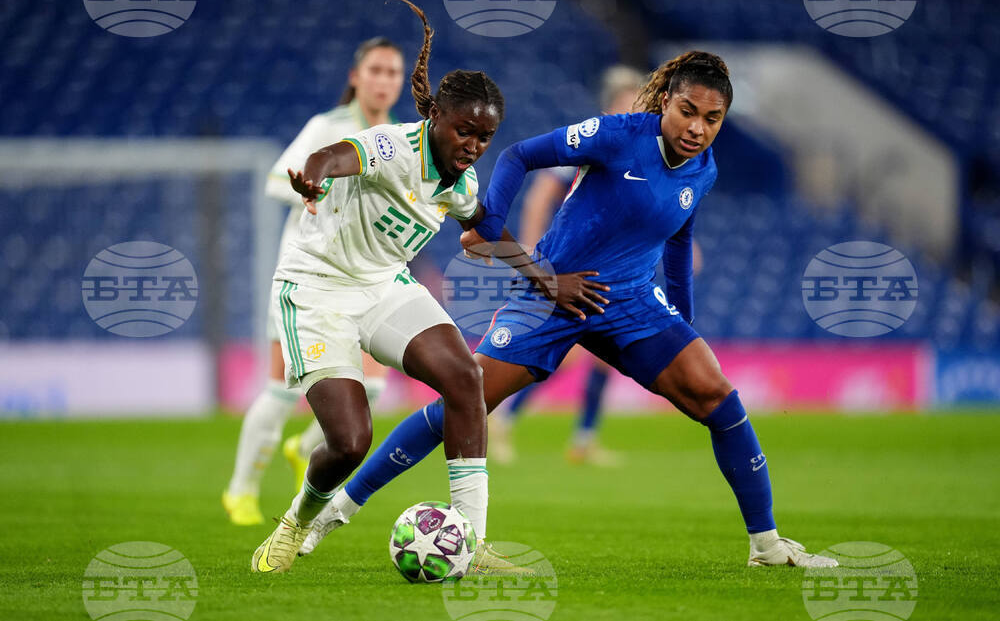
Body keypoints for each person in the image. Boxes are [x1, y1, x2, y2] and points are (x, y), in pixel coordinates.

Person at [300, 51, 838, 569]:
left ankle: (766, 545)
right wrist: (492, 228)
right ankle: (339, 509)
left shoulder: (705, 168)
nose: (698, 128)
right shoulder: (619, 135)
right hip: (552, 292)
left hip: (628, 302)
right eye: (688, 112)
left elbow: (679, 235)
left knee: (718, 397)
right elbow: (518, 156)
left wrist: (683, 317)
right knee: (464, 403)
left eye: (712, 119)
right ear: (667, 102)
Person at [251, 0, 571, 574]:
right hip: (317, 289)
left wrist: (545, 278)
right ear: (435, 121)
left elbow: (480, 232)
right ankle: (298, 518)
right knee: (350, 441)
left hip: (382, 287)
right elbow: (335, 154)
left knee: (465, 377)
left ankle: (469, 544)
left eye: (484, 136)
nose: (473, 145)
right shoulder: (392, 146)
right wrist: (315, 177)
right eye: (463, 131)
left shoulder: (460, 182)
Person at [222, 37, 405, 526]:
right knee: (282, 391)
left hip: (363, 279)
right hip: (306, 279)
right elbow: (275, 180)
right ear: (356, 76)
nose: (385, 81)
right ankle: (240, 490)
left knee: (370, 385)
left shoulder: (395, 139)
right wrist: (318, 186)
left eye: (393, 73)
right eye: (376, 70)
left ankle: (305, 447)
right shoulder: (329, 128)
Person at [490, 66, 647, 467]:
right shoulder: (593, 138)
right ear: (612, 104)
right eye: (631, 101)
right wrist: (530, 255)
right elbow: (541, 194)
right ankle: (502, 419)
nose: (637, 110)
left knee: (598, 355)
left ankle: (582, 438)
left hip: (609, 265)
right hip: (569, 263)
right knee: (567, 351)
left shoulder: (640, 146)